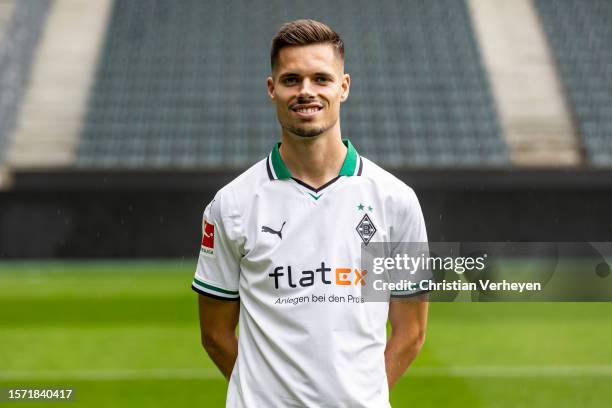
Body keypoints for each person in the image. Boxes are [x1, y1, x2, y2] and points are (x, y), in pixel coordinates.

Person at [192, 19, 429, 408]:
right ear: (272, 90)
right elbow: (214, 334)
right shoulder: (231, 204)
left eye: (321, 78)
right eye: (291, 80)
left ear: (343, 87)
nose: (306, 91)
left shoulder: (395, 201)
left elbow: (412, 332)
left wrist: (363, 398)